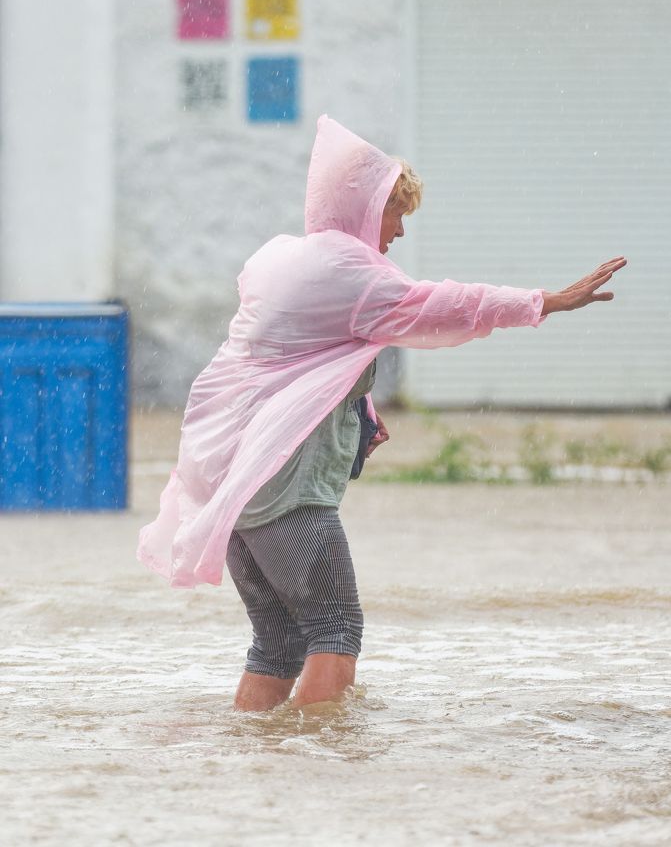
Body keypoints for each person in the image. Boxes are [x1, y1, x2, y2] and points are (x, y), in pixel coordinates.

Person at [137, 114, 626, 712]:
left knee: (278, 643)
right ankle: (324, 770)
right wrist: (546, 301)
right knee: (337, 632)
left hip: (233, 488)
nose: (396, 232)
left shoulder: (281, 259)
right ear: (365, 209)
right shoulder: (349, 272)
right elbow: (442, 305)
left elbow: (306, 353)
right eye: (394, 214)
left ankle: (254, 763)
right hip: (285, 491)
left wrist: (359, 406)